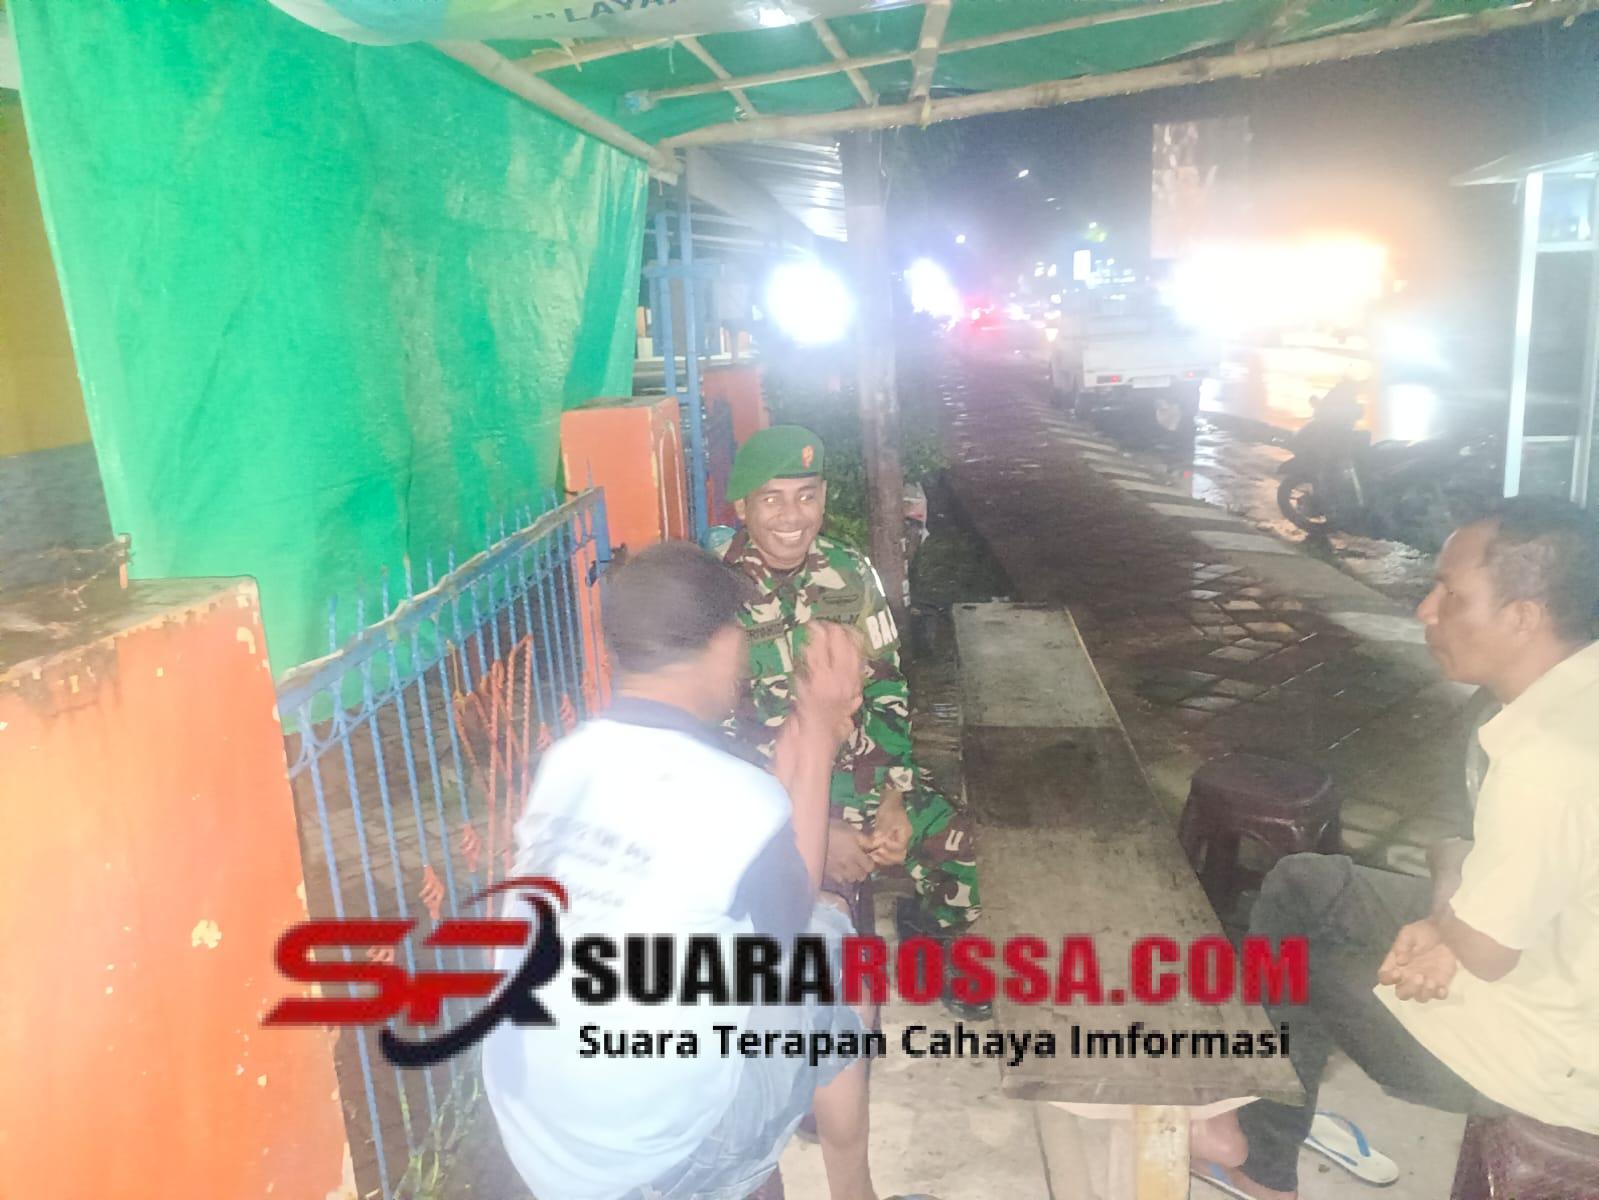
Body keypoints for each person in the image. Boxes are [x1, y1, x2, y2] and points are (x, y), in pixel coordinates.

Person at [1191, 496, 1599, 1199]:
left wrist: (1446, 906)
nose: (1425, 610)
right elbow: (1489, 875)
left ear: (1522, 617)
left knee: (1297, 968)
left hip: (1557, 1059)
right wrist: (1448, 901)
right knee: (1303, 883)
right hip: (1553, 955)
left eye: (1451, 594)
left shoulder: (1546, 757)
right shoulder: (1575, 691)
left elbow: (1485, 949)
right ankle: (1266, 1123)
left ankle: (1261, 1157)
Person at [482, 542, 901, 1200]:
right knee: (832, 940)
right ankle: (853, 1191)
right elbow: (790, 921)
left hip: (540, 1144)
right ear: (723, 643)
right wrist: (820, 729)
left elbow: (743, 834)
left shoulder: (568, 761)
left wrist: (805, 725)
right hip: (655, 1169)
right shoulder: (733, 796)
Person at [707, 426, 984, 1015]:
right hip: (769, 799)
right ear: (742, 507)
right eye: (772, 498)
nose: (792, 516)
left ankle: (930, 932)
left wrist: (893, 795)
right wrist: (814, 829)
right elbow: (711, 745)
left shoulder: (850, 573)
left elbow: (887, 688)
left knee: (957, 841)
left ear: (824, 498)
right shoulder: (713, 593)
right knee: (823, 941)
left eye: (806, 496)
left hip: (860, 779)